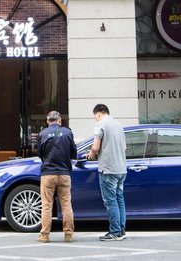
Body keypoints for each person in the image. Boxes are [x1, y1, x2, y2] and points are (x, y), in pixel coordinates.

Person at [86, 103, 127, 241]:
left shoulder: (101, 124)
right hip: (121, 169)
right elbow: (124, 147)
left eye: (95, 117)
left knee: (110, 201)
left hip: (108, 169)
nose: (95, 119)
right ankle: (121, 230)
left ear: (99, 113)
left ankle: (114, 232)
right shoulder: (119, 125)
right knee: (119, 199)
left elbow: (96, 147)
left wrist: (91, 153)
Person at [36, 110, 77, 243]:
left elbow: (40, 154)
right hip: (64, 174)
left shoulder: (42, 133)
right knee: (66, 205)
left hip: (48, 174)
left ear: (48, 121)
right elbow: (74, 154)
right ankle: (68, 234)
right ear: (60, 121)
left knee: (47, 205)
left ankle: (44, 235)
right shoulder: (68, 132)